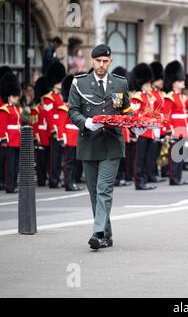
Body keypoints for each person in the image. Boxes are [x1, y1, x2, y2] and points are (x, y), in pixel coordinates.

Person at [68, 44, 138, 250]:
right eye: (98, 61)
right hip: (89, 143)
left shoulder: (120, 83)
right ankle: (107, 234)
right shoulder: (79, 83)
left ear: (110, 62)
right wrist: (85, 123)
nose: (101, 65)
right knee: (94, 193)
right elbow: (72, 111)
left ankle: (97, 233)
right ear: (92, 61)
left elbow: (126, 110)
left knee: (104, 190)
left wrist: (137, 126)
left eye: (105, 61)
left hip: (112, 144)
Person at [161, 60, 188, 186]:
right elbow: (166, 115)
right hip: (175, 128)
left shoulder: (181, 97)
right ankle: (174, 178)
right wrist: (169, 129)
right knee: (174, 154)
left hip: (182, 127)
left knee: (180, 154)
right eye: (180, 81)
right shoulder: (169, 97)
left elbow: (185, 114)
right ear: (174, 83)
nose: (183, 82)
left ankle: (179, 176)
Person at [129, 63, 159, 190]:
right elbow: (133, 115)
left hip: (149, 131)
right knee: (139, 158)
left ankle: (144, 179)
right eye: (147, 84)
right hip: (141, 131)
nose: (149, 86)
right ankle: (139, 181)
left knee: (147, 157)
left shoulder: (148, 97)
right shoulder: (137, 97)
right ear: (141, 84)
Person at [43, 61, 67, 189]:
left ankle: (57, 178)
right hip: (55, 130)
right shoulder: (49, 98)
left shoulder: (61, 96)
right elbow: (49, 115)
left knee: (59, 157)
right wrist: (53, 129)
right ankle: (53, 179)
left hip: (61, 128)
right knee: (54, 156)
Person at [0, 73, 22, 194]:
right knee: (9, 164)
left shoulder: (17, 109)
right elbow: (2, 126)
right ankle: (9, 185)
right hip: (9, 140)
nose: (16, 97)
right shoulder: (4, 109)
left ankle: (14, 184)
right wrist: (3, 139)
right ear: (9, 96)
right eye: (14, 95)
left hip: (17, 140)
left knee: (15, 165)